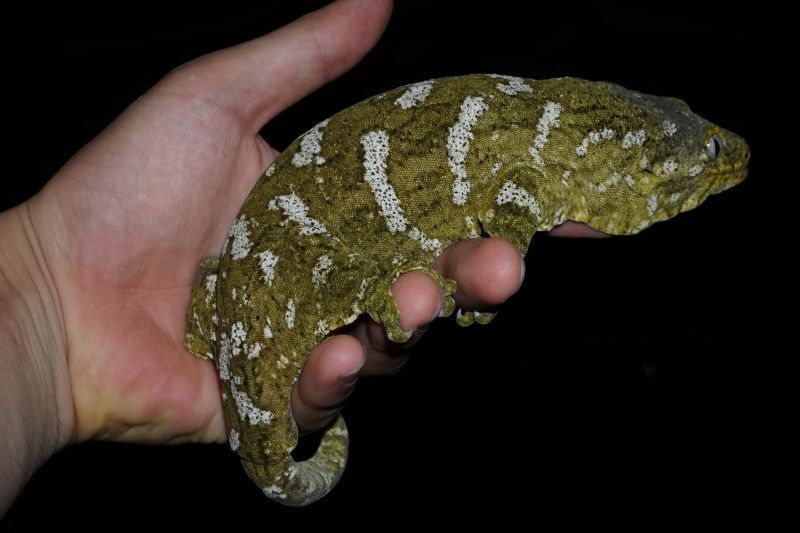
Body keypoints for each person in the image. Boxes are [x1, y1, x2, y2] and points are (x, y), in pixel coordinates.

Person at [0, 0, 602, 514]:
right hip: (270, 297)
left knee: (367, 292)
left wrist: (44, 301)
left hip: (244, 297)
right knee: (398, 293)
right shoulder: (525, 138)